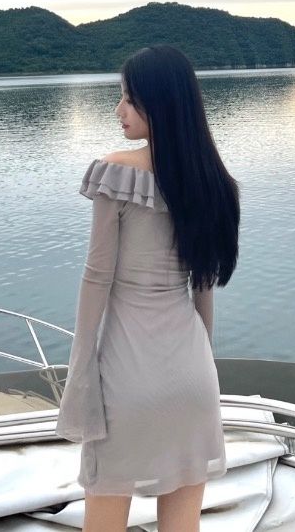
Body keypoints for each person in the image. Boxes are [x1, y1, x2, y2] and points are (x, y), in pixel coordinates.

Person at [55, 44, 240, 532]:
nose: (119, 110)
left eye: (129, 99)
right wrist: (203, 360)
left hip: (127, 378)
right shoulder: (215, 184)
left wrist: (80, 376)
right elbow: (204, 288)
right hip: (193, 376)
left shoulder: (116, 172)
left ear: (160, 103)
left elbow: (96, 279)